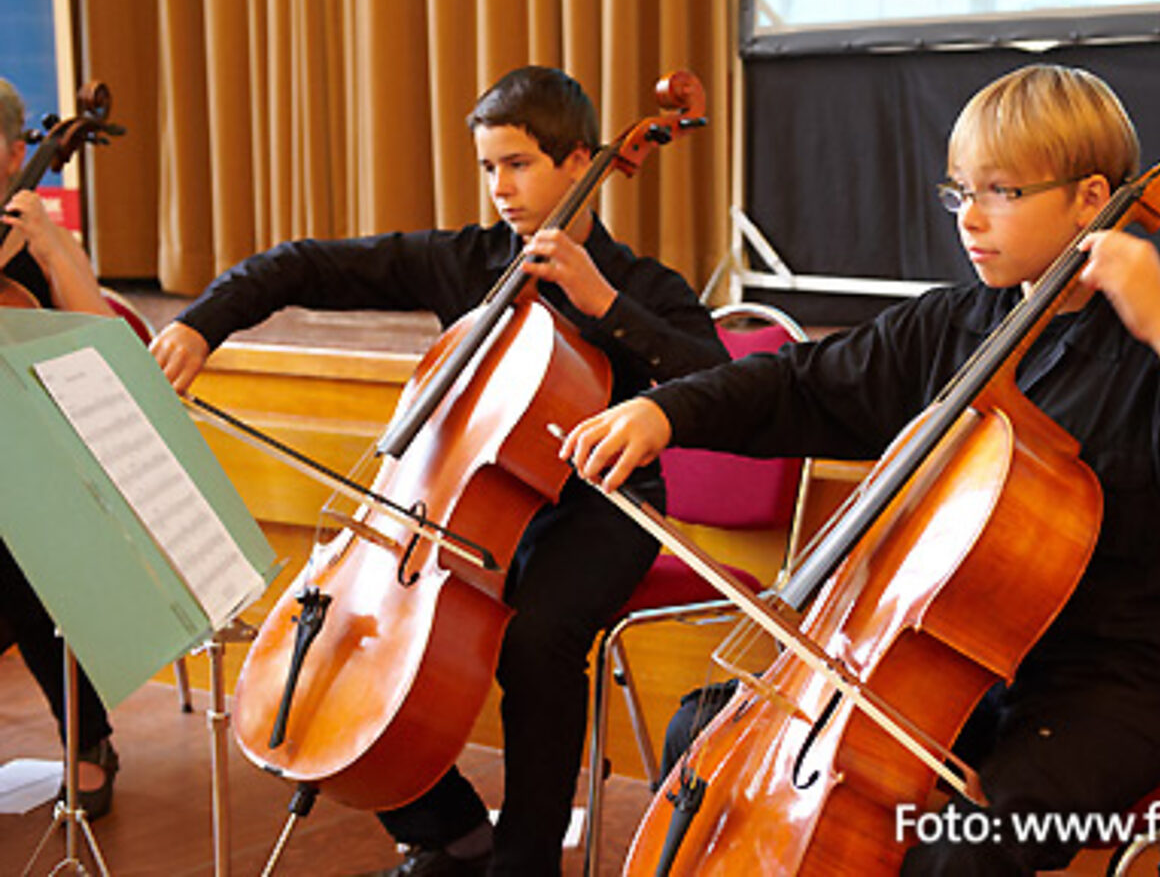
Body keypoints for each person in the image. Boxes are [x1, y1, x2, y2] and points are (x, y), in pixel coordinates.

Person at [561, 63, 1160, 875]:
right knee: (707, 732)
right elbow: (800, 385)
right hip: (946, 668)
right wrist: (667, 411)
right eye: (959, 191)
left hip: (1111, 687)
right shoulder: (957, 325)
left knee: (962, 850)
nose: (970, 217)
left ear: (1089, 197)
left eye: (1000, 191)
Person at [150, 65, 728, 876]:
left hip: (600, 507)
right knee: (357, 635)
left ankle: (526, 862)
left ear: (580, 162)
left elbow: (715, 374)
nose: (500, 188)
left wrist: (602, 304)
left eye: (518, 164)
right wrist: (204, 324)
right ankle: (451, 829)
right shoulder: (467, 261)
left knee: (538, 642)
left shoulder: (639, 284)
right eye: (489, 167)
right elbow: (303, 264)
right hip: (463, 501)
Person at [1, 76, 121, 820]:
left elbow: (106, 346)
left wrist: (46, 243)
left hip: (42, 480)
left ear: (17, 152)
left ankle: (88, 738)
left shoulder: (42, 242)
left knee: (17, 537)